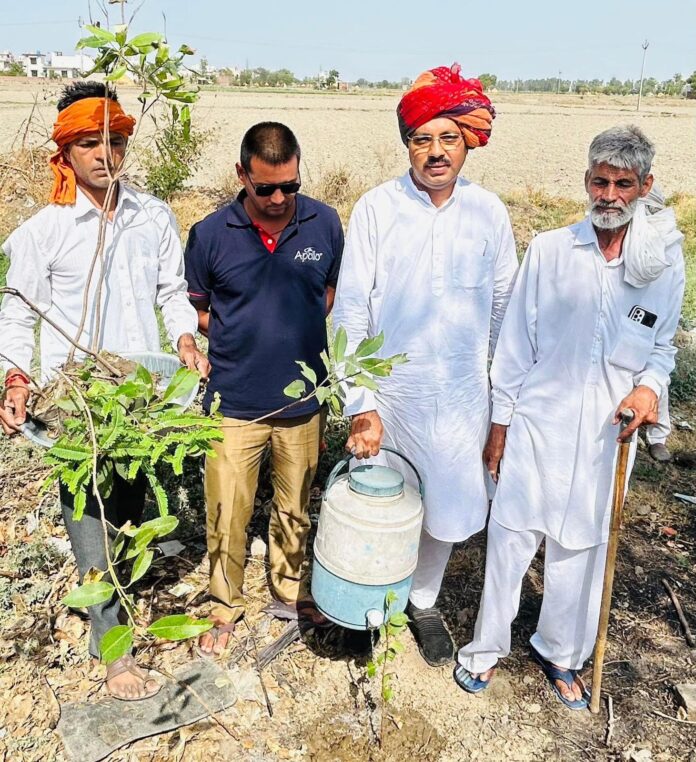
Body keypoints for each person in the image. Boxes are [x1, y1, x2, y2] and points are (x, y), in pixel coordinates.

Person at [455, 125, 685, 710]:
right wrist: (499, 425)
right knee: (511, 539)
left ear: (645, 187)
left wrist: (649, 389)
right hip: (537, 422)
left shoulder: (661, 264)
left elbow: (661, 347)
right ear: (586, 182)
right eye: (600, 182)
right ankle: (485, 649)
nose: (609, 195)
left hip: (608, 434)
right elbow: (514, 346)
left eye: (623, 184)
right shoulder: (552, 249)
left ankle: (561, 653)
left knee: (581, 546)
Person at [0, 82, 209, 700]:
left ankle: (111, 592)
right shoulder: (46, 230)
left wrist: (186, 342)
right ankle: (113, 649)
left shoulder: (152, 216)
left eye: (114, 141)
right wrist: (15, 375)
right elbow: (15, 309)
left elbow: (174, 292)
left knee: (127, 497)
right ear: (64, 153)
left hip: (138, 389)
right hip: (76, 394)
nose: (103, 154)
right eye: (88, 143)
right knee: (86, 508)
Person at [332, 64, 518, 666]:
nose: (435, 152)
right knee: (380, 503)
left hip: (463, 394)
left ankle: (422, 600)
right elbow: (350, 312)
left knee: (447, 505)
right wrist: (360, 404)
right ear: (406, 144)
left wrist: (502, 402)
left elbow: (503, 309)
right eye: (422, 139)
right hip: (392, 396)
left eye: (448, 138)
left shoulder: (489, 212)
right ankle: (369, 601)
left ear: (468, 142)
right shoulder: (376, 210)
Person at [185, 122, 344, 656]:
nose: (279, 199)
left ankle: (288, 592)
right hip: (233, 402)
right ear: (241, 176)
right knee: (227, 511)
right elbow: (202, 311)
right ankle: (224, 606)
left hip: (302, 401)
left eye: (290, 187)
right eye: (266, 188)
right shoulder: (209, 234)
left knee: (295, 504)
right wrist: (247, 339)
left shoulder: (324, 223)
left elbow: (327, 292)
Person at [642, 185, 680, 463]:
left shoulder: (668, 241)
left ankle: (657, 434)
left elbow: (673, 287)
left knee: (655, 364)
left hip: (655, 307)